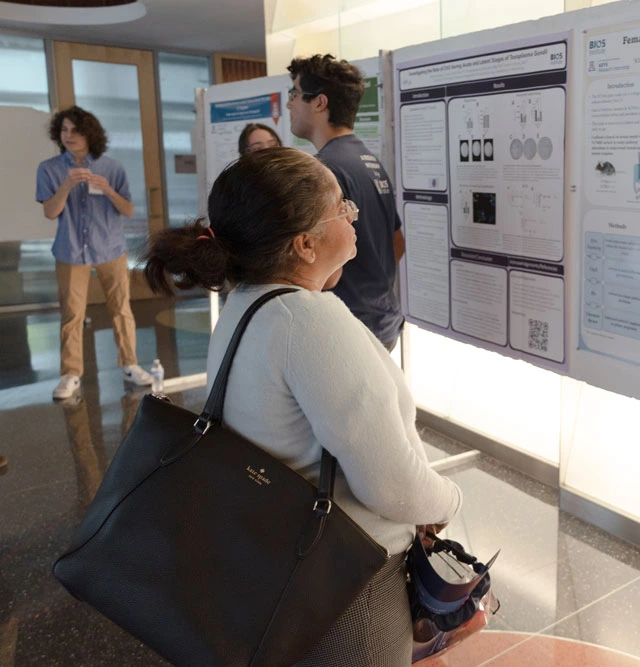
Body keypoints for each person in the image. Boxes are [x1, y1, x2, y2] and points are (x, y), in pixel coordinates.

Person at [143, 147, 461, 667]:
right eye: (342, 208)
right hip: (343, 588)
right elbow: (390, 485)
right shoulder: (308, 322)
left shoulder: (248, 302)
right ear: (306, 245)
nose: (354, 216)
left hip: (274, 563)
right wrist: (449, 502)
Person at [286, 54, 406, 351]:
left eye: (295, 94)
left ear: (319, 103)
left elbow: (327, 275)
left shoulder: (323, 169)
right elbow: (398, 241)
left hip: (349, 327)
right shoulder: (368, 159)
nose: (289, 104)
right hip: (382, 321)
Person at [36, 106, 153, 400]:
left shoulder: (111, 167)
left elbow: (127, 209)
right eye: (64, 130)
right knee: (72, 314)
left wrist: (108, 190)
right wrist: (67, 184)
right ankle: (70, 374)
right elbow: (51, 212)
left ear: (90, 134)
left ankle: (130, 365)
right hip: (70, 250)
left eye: (75, 130)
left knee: (120, 309)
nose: (69, 136)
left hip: (111, 249)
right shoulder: (49, 169)